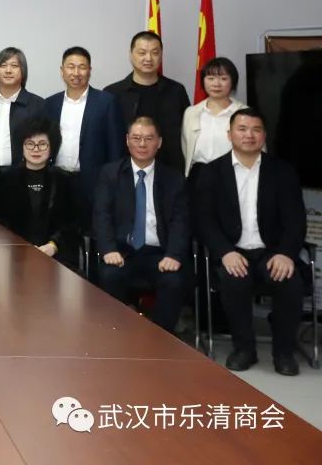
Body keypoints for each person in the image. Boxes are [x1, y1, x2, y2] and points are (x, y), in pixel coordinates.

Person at [195, 108, 307, 376]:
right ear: (230, 134)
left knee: (290, 281)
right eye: (242, 129)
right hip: (233, 251)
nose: (249, 135)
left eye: (256, 130)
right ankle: (244, 348)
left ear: (264, 136)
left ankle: (284, 352)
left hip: (272, 252)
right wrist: (224, 252)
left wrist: (286, 253)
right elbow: (203, 220)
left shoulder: (282, 171)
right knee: (234, 280)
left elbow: (296, 220)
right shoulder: (211, 172)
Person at [93, 117, 191, 334]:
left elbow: (180, 222)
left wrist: (174, 255)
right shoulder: (110, 174)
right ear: (127, 140)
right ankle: (116, 335)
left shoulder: (174, 179)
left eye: (149, 138)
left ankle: (160, 338)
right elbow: (102, 216)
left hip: (160, 254)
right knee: (110, 275)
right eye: (136, 138)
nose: (142, 144)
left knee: (174, 281)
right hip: (122, 252)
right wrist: (108, 249)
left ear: (159, 142)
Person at [44, 46, 124, 236]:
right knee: (59, 234)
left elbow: (115, 147)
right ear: (62, 71)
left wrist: (112, 183)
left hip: (93, 183)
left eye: (82, 67)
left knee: (93, 234)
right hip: (58, 181)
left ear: (90, 70)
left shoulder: (106, 102)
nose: (76, 72)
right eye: (71, 67)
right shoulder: (50, 104)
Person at [0, 117, 77, 267]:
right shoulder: (5, 178)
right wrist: (20, 246)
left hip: (55, 254)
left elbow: (72, 223)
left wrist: (53, 246)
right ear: (21, 146)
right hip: (13, 254)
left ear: (52, 147)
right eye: (30, 144)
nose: (36, 149)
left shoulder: (64, 179)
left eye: (42, 144)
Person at [105, 31, 191, 173]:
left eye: (155, 53)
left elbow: (187, 133)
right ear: (131, 55)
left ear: (161, 55)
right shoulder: (113, 93)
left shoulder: (176, 91)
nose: (148, 58)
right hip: (124, 174)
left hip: (170, 172)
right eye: (142, 53)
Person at [0, 47, 46, 174]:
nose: (8, 70)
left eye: (14, 66)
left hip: (22, 178)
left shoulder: (37, 105)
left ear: (23, 71)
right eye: (3, 65)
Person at [182, 56, 246, 176]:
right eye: (210, 78)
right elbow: (186, 148)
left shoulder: (245, 113)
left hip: (234, 173)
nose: (216, 84)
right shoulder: (191, 113)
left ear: (233, 81)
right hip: (198, 174)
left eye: (223, 78)